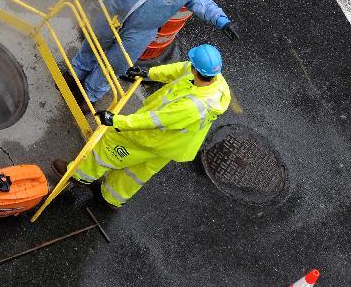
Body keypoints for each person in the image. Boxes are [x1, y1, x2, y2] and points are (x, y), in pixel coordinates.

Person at [52, 44, 230, 209]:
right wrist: (149, 73)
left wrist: (116, 121)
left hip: (155, 137)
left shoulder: (193, 106)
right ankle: (111, 198)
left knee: (111, 144)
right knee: (137, 172)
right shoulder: (217, 81)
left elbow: (154, 120)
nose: (188, 65)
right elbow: (178, 69)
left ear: (196, 69)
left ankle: (80, 175)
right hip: (175, 144)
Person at [71, 0, 239, 105]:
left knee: (116, 63)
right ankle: (77, 72)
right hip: (112, 11)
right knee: (94, 42)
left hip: (141, 31)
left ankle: (90, 93)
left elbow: (203, 3)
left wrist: (222, 21)